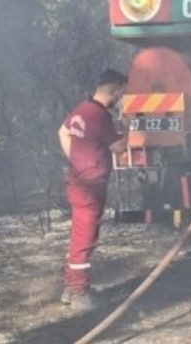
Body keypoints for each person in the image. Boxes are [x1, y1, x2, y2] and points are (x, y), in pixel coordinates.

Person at [58, 68, 128, 310]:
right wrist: (129, 127)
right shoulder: (100, 117)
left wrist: (76, 160)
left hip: (78, 181)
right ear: (115, 90)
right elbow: (119, 148)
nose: (122, 96)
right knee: (86, 237)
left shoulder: (81, 109)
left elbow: (63, 131)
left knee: (79, 233)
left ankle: (70, 287)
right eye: (122, 92)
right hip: (90, 187)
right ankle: (79, 292)